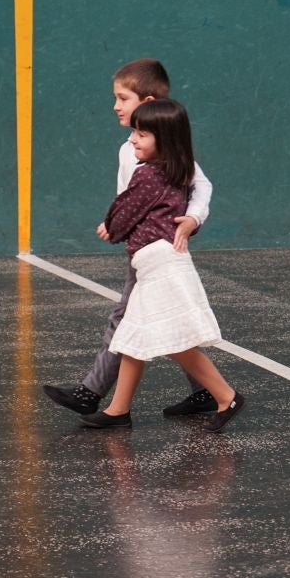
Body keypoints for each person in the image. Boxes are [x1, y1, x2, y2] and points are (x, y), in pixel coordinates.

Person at [43, 58, 216, 417]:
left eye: (122, 98)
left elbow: (201, 185)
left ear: (148, 102)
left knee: (125, 320)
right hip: (140, 247)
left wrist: (193, 219)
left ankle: (92, 393)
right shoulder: (131, 148)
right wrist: (116, 222)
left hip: (158, 249)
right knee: (162, 320)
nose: (115, 106)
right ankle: (204, 392)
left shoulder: (164, 150)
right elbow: (129, 199)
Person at [78, 99, 245, 432]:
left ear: (164, 140)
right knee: (130, 337)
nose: (134, 139)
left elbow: (124, 210)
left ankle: (227, 397)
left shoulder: (149, 175)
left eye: (142, 134)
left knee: (177, 341)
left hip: (160, 266)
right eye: (135, 132)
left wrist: (111, 227)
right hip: (153, 266)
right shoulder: (174, 170)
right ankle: (118, 409)